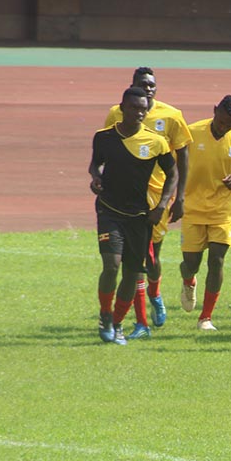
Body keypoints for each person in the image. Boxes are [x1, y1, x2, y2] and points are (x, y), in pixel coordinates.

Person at [104, 67, 192, 338]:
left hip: (160, 196)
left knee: (152, 257)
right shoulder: (117, 113)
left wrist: (180, 197)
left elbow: (183, 157)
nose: (149, 88)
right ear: (132, 87)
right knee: (140, 258)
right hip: (130, 199)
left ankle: (154, 293)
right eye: (143, 84)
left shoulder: (171, 115)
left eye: (152, 85)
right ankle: (141, 323)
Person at [90, 87, 177, 345]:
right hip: (109, 211)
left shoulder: (156, 142)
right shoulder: (104, 137)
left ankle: (117, 324)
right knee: (111, 265)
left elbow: (172, 174)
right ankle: (105, 315)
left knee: (131, 273)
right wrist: (95, 177)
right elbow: (95, 163)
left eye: (144, 108)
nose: (140, 112)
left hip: (140, 216)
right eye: (134, 108)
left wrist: (162, 205)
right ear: (122, 108)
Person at [177, 95, 231, 331]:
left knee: (217, 260)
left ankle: (206, 317)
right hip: (192, 208)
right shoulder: (192, 133)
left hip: (223, 210)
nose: (224, 127)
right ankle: (188, 280)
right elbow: (172, 162)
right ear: (214, 111)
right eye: (221, 121)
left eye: (229, 123)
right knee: (190, 263)